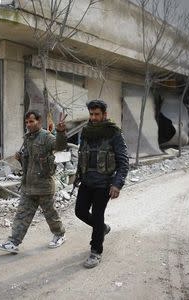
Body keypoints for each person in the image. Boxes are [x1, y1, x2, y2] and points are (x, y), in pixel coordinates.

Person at [0, 110, 68, 253]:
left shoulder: (46, 137)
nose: (29, 124)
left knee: (50, 214)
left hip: (44, 186)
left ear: (39, 122)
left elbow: (60, 147)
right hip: (28, 186)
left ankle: (59, 234)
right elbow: (29, 164)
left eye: (32, 121)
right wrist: (20, 158)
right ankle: (13, 242)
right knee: (21, 215)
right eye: (27, 122)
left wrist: (60, 132)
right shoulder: (27, 139)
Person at [75, 99, 129, 268]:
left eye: (97, 114)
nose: (93, 117)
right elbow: (82, 154)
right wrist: (78, 175)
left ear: (104, 114)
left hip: (103, 184)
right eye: (91, 114)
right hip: (86, 181)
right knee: (80, 211)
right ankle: (102, 228)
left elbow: (123, 161)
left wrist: (117, 184)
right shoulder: (86, 131)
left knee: (98, 215)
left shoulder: (114, 133)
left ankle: (96, 251)